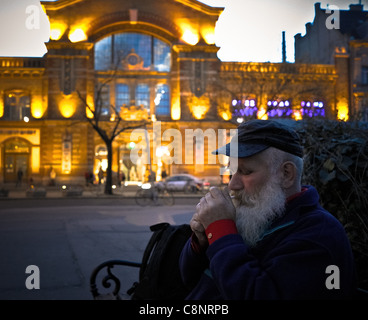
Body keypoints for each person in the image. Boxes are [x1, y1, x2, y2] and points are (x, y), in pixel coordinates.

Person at [179, 119, 357, 299]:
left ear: (286, 174)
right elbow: (188, 279)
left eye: (246, 172)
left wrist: (221, 231)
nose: (232, 184)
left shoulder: (319, 234)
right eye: (232, 172)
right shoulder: (255, 214)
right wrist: (201, 241)